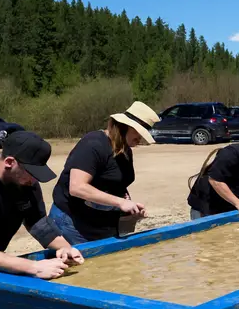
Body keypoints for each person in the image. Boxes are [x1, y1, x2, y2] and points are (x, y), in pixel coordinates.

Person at [0, 132, 84, 279]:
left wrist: (64, 247)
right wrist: (34, 267)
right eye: (32, 173)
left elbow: (38, 223)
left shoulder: (25, 180)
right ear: (9, 162)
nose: (35, 180)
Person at [50, 102, 159, 244]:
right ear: (125, 126)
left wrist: (129, 207)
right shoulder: (93, 144)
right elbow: (77, 187)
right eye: (138, 132)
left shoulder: (125, 151)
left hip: (101, 222)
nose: (141, 138)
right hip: (73, 221)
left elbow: (115, 184)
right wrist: (119, 202)